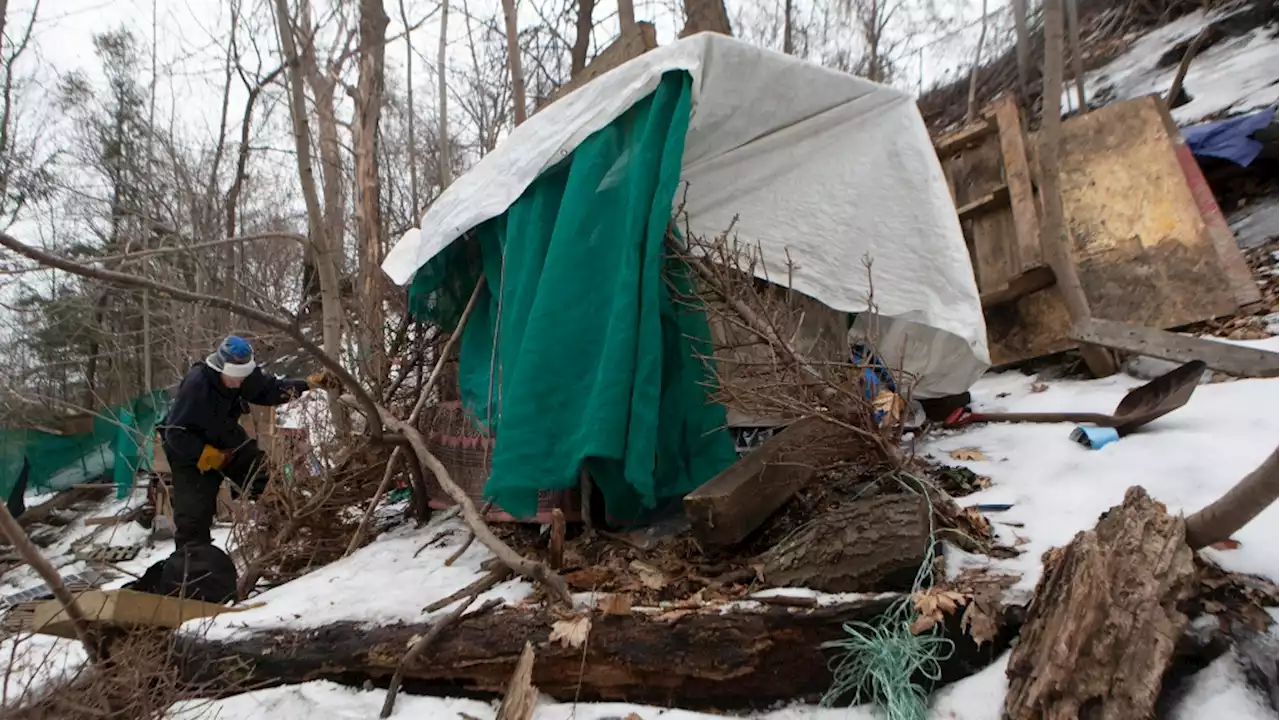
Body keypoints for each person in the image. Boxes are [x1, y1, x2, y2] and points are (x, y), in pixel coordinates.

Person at [158, 335, 337, 549]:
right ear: (220, 366)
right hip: (189, 449)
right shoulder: (198, 384)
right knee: (193, 516)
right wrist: (205, 454)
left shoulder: (245, 377)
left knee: (265, 476)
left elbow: (271, 390)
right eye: (233, 376)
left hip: (225, 435)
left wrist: (308, 384)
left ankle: (294, 525)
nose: (238, 382)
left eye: (243, 376)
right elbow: (175, 433)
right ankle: (193, 564)